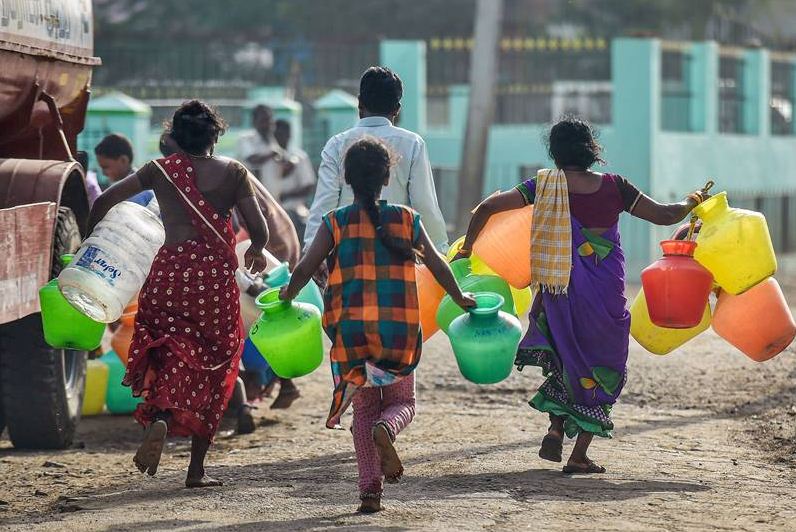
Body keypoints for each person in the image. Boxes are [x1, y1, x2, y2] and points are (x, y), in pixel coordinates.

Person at [455, 117, 710, 475]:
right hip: (605, 295)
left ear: (555, 152)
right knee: (603, 364)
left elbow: (486, 208)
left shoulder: (543, 186)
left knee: (565, 356)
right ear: (592, 150)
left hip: (559, 291)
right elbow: (665, 215)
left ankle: (556, 429)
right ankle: (578, 455)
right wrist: (692, 200)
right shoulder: (615, 187)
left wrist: (467, 248)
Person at [280, 137, 475, 513]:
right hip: (397, 332)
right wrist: (459, 296)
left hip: (352, 335)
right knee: (403, 403)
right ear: (387, 178)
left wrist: (287, 295)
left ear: (346, 179)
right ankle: (388, 429)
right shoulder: (406, 218)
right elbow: (436, 264)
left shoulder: (334, 222)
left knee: (364, 409)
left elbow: (305, 267)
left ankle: (370, 491)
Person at [87, 100, 270, 487]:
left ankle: (160, 419)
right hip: (213, 283)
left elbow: (103, 201)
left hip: (169, 276)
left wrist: (90, 249)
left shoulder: (159, 170)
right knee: (215, 364)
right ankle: (196, 469)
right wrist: (255, 249)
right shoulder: (234, 173)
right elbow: (259, 228)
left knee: (167, 352)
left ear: (175, 137)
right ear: (214, 136)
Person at [304, 67, 449, 259]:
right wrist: (440, 251)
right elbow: (424, 205)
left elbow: (324, 204)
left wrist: (313, 254)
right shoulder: (412, 143)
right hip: (397, 257)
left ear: (359, 104)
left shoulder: (337, 144)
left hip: (347, 258)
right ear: (397, 109)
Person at [273, 118, 317, 241]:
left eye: (281, 134)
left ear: (289, 135)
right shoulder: (268, 157)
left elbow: (308, 186)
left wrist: (286, 195)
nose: (278, 138)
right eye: (276, 135)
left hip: (294, 209)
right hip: (272, 210)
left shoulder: (299, 157)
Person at [237, 104, 287, 196]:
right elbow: (252, 160)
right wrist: (273, 154)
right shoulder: (246, 138)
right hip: (251, 197)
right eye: (264, 120)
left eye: (270, 120)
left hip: (273, 197)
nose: (267, 124)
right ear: (254, 121)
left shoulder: (274, 141)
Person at [94, 133, 154, 206]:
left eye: (105, 167)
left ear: (123, 160)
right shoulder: (121, 188)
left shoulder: (136, 194)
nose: (103, 173)